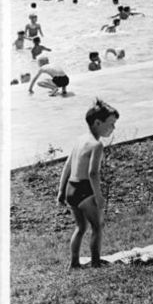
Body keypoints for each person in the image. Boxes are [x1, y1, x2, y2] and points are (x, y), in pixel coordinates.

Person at [56, 99, 119, 268]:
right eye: (111, 124)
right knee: (97, 227)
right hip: (85, 189)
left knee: (80, 227)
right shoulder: (96, 145)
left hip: (71, 188)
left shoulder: (79, 140)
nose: (113, 128)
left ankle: (74, 263)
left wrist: (61, 191)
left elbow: (68, 165)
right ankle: (96, 262)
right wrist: (98, 197)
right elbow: (93, 173)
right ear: (97, 123)